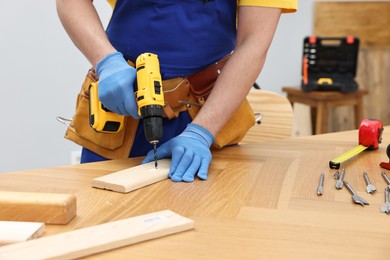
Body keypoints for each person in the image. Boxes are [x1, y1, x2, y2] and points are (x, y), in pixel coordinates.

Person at [56, 0, 297, 183]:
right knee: (101, 221)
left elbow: (253, 41)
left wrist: (201, 133)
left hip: (205, 112)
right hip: (121, 111)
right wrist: (106, 61)